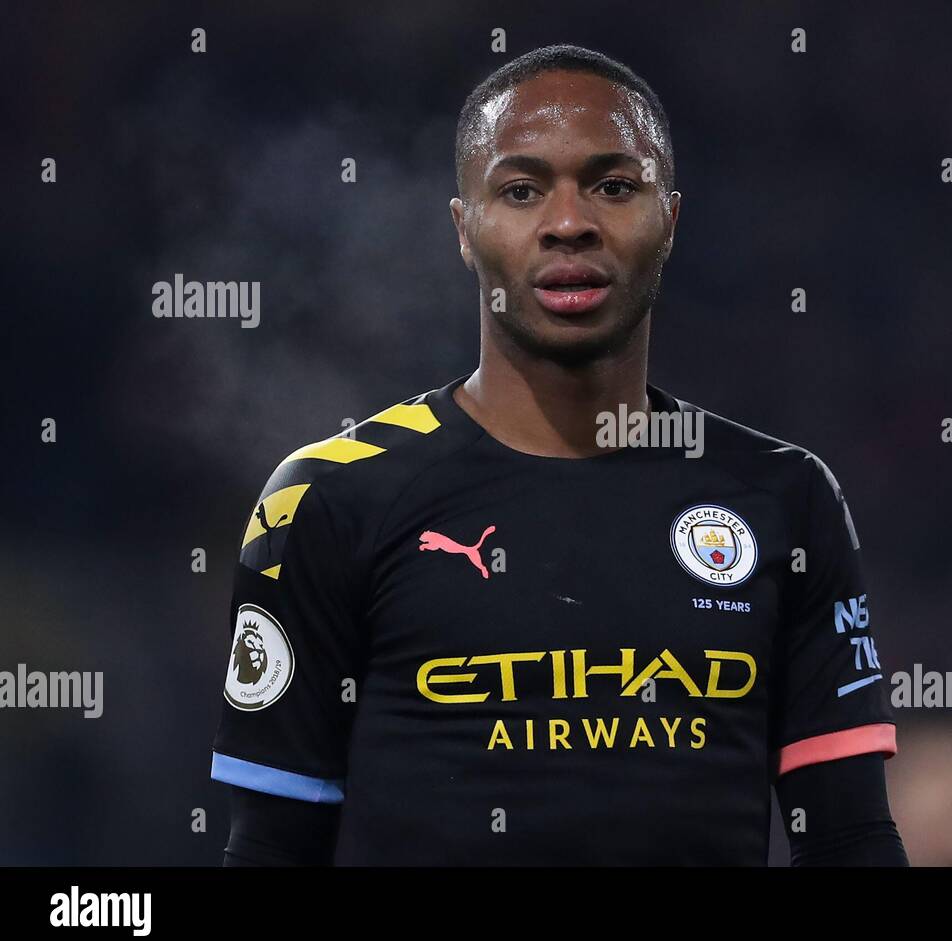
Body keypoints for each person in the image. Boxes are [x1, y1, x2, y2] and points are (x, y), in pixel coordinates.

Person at [212, 43, 906, 866]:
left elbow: (850, 837)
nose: (570, 222)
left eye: (614, 186)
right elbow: (270, 848)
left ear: (670, 220)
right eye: (521, 189)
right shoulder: (329, 499)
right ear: (464, 229)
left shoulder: (784, 497)